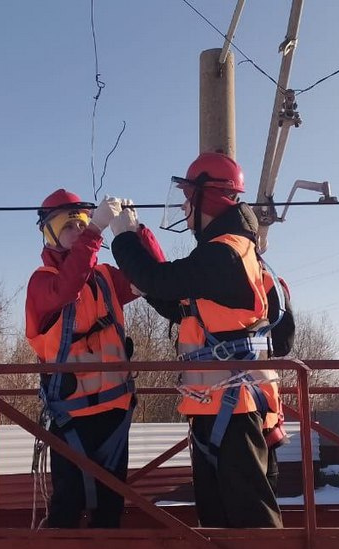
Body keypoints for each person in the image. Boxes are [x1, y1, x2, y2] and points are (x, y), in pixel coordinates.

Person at [109, 152, 288, 528]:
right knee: (219, 517)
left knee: (249, 518)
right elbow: (182, 305)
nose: (185, 207)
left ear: (207, 198)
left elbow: (165, 280)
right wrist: (141, 244)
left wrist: (124, 238)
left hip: (234, 407)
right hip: (221, 406)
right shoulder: (230, 251)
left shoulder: (223, 253)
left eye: (189, 197)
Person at [25, 188, 163, 528]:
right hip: (71, 415)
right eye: (68, 225)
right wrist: (95, 231)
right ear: (50, 234)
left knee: (110, 504)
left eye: (81, 223)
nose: (77, 230)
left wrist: (136, 234)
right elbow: (69, 287)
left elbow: (152, 280)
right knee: (67, 504)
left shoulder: (104, 276)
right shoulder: (43, 283)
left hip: (114, 412)